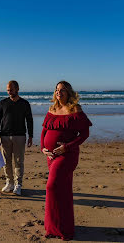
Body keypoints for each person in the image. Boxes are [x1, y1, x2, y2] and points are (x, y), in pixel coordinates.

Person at [41, 81, 92, 240]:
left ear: (69, 93)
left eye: (62, 90)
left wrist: (67, 147)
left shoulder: (75, 110)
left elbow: (84, 134)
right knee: (61, 191)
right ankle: (55, 227)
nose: (58, 92)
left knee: (51, 186)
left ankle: (63, 228)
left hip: (67, 155)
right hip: (51, 156)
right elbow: (44, 130)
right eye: (57, 90)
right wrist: (43, 147)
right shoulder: (52, 109)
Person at [0, 80, 33, 196]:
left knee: (18, 161)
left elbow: (29, 120)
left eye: (11, 90)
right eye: (7, 90)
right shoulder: (2, 103)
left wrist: (30, 136)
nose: (9, 92)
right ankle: (9, 182)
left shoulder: (25, 104)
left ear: (17, 89)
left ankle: (18, 185)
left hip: (20, 136)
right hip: (4, 136)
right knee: (6, 161)